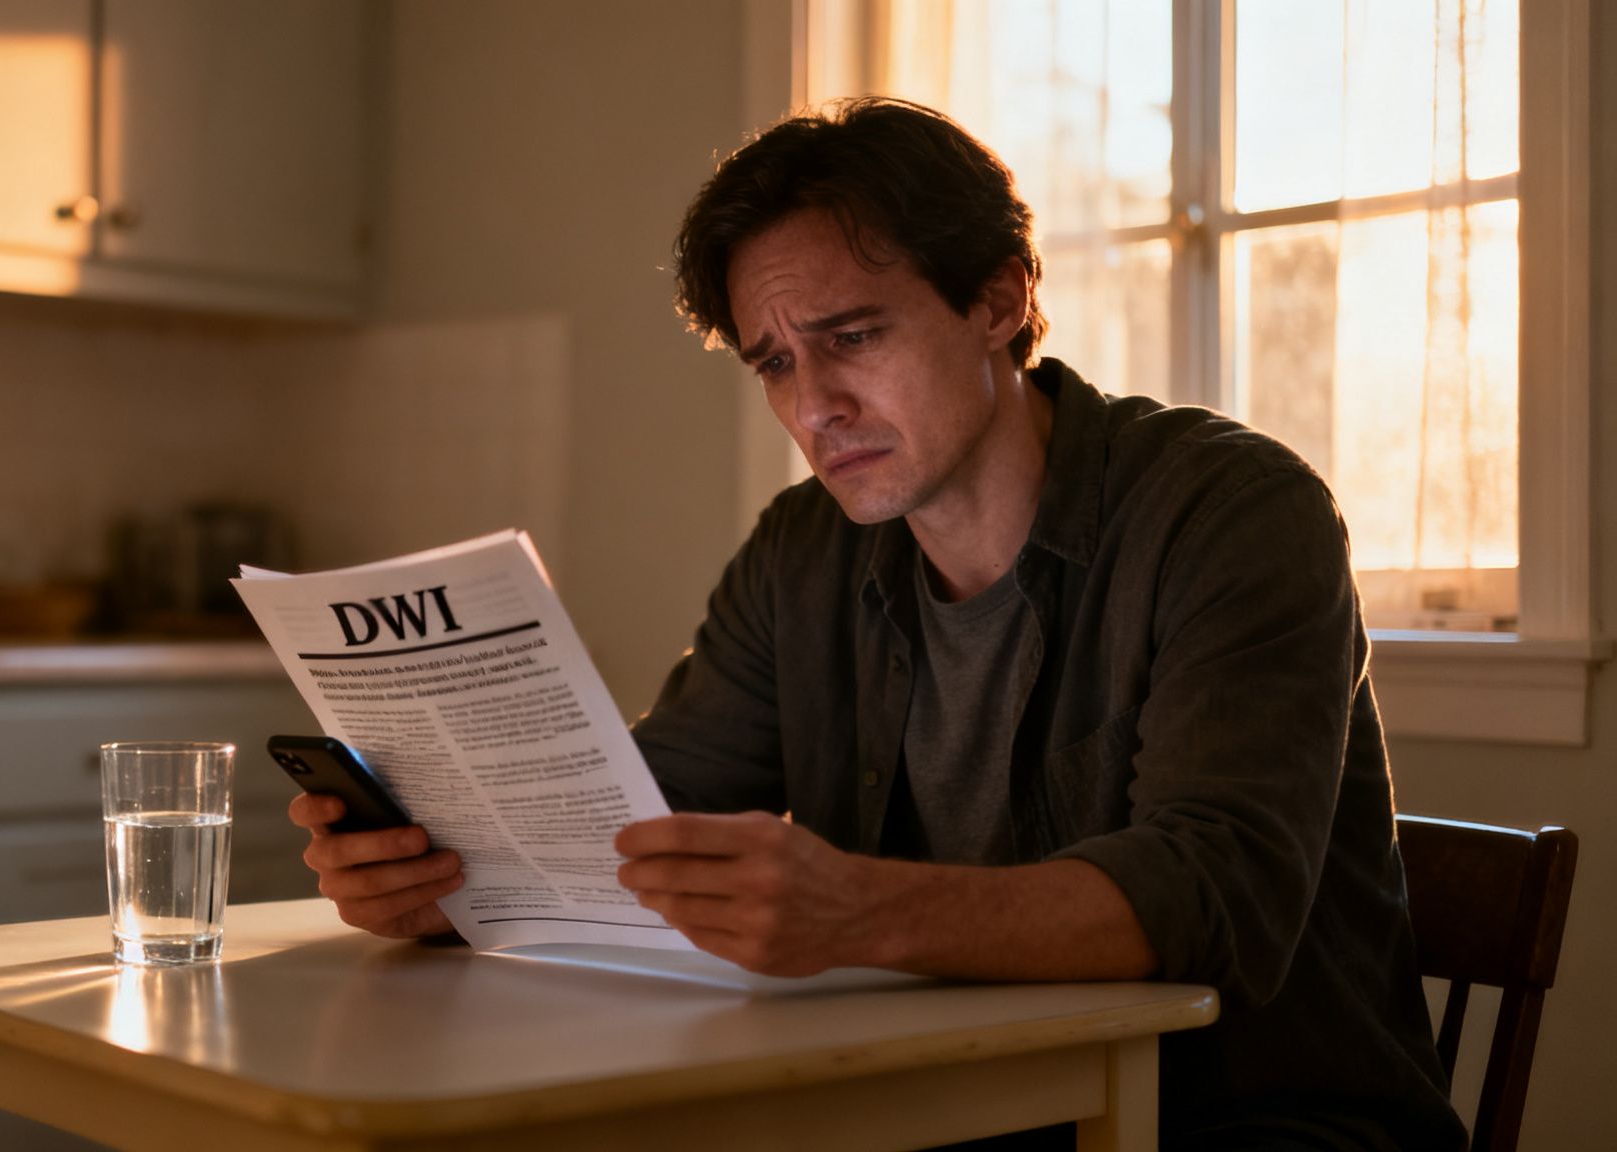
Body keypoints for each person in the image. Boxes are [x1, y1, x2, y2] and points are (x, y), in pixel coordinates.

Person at [288, 98, 1465, 1151]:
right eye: (774, 363)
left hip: (1249, 1119)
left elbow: (1212, 893)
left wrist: (858, 909)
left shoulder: (1231, 511)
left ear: (999, 300)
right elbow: (636, 820)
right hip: (950, 1111)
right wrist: (441, 882)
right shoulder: (803, 552)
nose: (813, 405)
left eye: (852, 337)